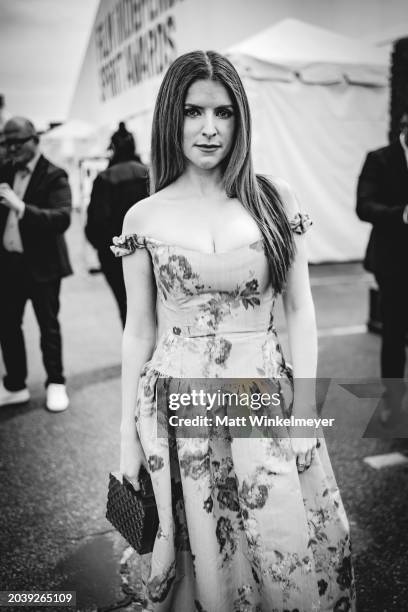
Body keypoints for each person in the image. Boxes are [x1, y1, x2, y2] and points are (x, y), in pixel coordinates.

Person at [111, 51, 356, 611]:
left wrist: (306, 415)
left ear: (240, 119)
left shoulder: (274, 197)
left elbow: (300, 308)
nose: (209, 128)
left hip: (264, 401)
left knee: (285, 546)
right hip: (181, 415)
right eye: (194, 111)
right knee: (207, 560)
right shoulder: (142, 217)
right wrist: (126, 441)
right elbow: (137, 331)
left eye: (224, 112)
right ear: (171, 117)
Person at [0, 117, 72, 412]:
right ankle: (16, 385)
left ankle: (56, 382)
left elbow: (61, 218)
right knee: (7, 325)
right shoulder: (5, 169)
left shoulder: (54, 175)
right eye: (7, 143)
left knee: (48, 326)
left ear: (35, 140)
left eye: (18, 142)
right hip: (9, 265)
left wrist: (21, 207)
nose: (12, 148)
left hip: (43, 266)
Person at [357, 112, 408, 420]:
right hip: (392, 262)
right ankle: (391, 403)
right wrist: (400, 215)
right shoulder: (379, 159)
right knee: (394, 332)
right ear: (405, 129)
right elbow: (363, 206)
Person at [85, 135, 149, 326]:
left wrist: (105, 249)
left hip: (115, 256)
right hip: (150, 251)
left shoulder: (105, 178)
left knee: (126, 308)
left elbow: (95, 224)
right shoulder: (148, 173)